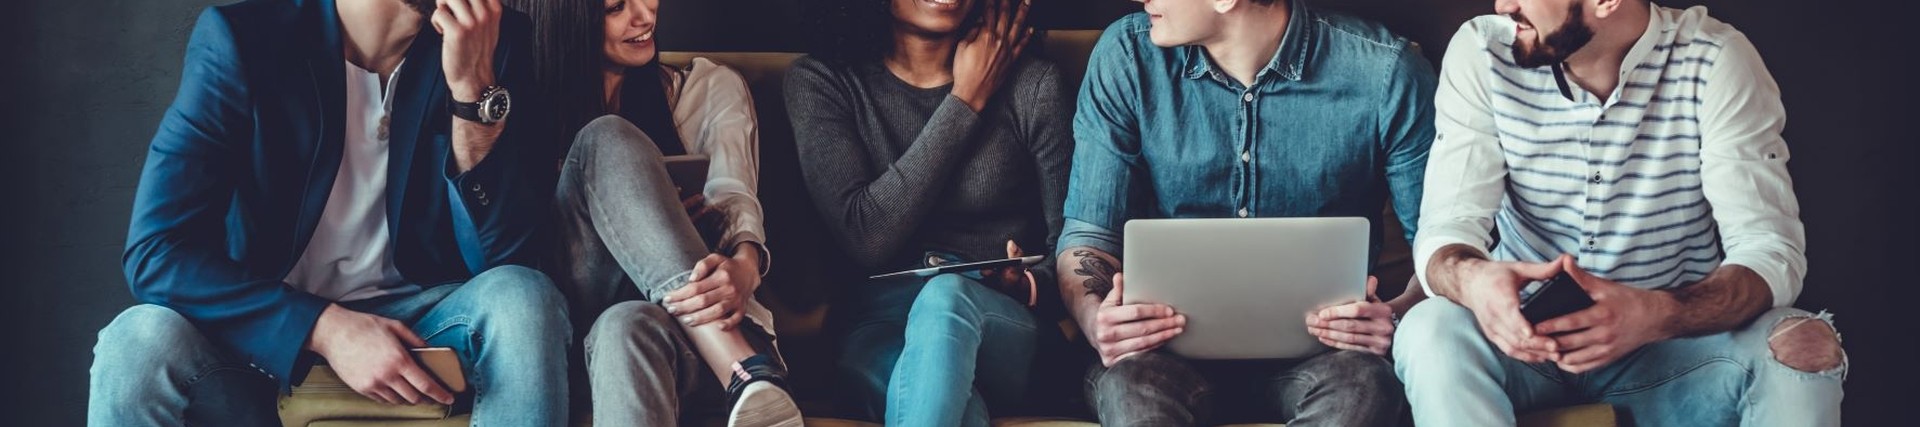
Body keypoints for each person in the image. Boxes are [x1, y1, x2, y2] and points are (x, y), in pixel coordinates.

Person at [86, 0, 568, 425]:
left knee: (523, 296)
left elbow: (506, 258)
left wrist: (471, 97)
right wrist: (324, 327)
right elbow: (157, 250)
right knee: (137, 340)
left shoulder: (493, 40)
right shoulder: (246, 39)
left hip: (423, 326)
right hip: (265, 335)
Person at [1394, 0, 1846, 425]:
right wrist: (1475, 281)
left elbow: (1771, 252)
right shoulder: (1482, 50)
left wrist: (1658, 314)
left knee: (1803, 344)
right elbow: (1447, 226)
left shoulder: (1716, 59)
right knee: (1430, 329)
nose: (1503, 6)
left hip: (1669, 350)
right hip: (1520, 346)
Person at [1055, 0, 1437, 425]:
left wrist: (1395, 316)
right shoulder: (1127, 55)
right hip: (1163, 362)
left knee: (1365, 387)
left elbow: (1442, 246)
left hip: (1325, 362)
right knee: (1130, 390)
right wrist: (1097, 321)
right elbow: (1089, 236)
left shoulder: (1385, 72)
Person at [506, 0, 800, 424]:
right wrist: (627, 206)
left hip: (682, 336)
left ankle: (749, 381)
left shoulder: (708, 87)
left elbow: (733, 193)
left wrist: (746, 266)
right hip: (577, 324)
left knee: (623, 325)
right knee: (606, 139)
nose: (644, 16)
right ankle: (745, 367)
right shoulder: (517, 106)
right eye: (614, 8)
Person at [784, 0, 1072, 425]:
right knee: (954, 408)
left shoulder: (1034, 85)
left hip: (1002, 330)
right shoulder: (823, 82)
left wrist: (1027, 285)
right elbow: (866, 237)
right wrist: (967, 99)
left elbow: (1075, 243)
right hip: (879, 328)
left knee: (945, 297)